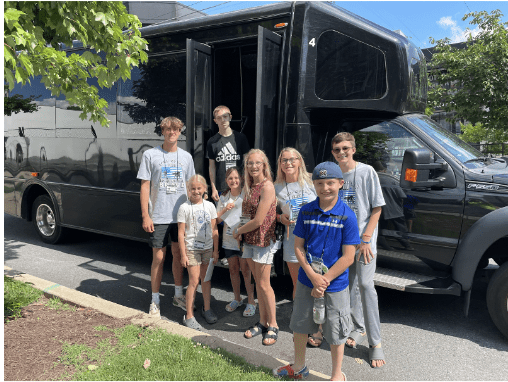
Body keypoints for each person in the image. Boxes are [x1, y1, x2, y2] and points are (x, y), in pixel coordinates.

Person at [273, 162, 360, 381]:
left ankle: (336, 375)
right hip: (306, 280)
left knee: (336, 331)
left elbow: (348, 256)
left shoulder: (347, 216)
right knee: (301, 324)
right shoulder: (306, 210)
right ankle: (299, 366)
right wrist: (313, 276)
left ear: (340, 183)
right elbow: (298, 246)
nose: (325, 188)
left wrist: (325, 280)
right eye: (320, 183)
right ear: (314, 185)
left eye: (330, 183)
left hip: (335, 285)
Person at [331, 132, 387, 368]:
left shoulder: (366, 172)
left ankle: (376, 343)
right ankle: (356, 328)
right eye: (337, 150)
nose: (341, 153)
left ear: (353, 149)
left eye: (345, 148)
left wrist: (365, 239)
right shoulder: (333, 175)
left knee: (365, 286)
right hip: (342, 242)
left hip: (364, 242)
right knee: (348, 286)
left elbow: (376, 208)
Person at [137, 116, 195, 318]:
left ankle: (178, 295)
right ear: (162, 131)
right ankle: (154, 300)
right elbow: (144, 186)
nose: (172, 132)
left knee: (179, 257)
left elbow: (191, 188)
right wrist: (146, 215)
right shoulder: (150, 155)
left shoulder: (187, 157)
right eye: (168, 129)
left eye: (176, 129)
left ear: (180, 132)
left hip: (180, 217)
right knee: (159, 258)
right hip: (159, 216)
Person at [232, 149, 279, 346]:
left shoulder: (267, 187)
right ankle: (262, 321)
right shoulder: (249, 186)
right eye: (250, 163)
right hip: (249, 240)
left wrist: (238, 230)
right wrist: (242, 232)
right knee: (257, 283)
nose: (253, 167)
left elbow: (259, 220)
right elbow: (246, 214)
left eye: (257, 163)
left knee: (264, 284)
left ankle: (274, 325)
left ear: (264, 165)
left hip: (262, 240)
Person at [177, 175, 219, 330]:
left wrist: (216, 250)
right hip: (192, 250)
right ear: (188, 190)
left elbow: (215, 230)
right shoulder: (184, 208)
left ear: (204, 189)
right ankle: (188, 315)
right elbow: (181, 233)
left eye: (199, 188)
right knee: (194, 281)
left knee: (206, 280)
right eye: (192, 188)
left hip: (208, 249)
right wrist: (183, 254)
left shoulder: (210, 206)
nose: (196, 191)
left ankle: (206, 309)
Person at [216, 166, 256, 317]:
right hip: (228, 240)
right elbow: (217, 219)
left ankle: (251, 301)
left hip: (243, 239)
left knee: (246, 271)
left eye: (236, 178)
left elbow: (252, 215)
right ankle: (237, 299)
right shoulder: (224, 197)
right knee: (233, 270)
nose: (233, 181)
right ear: (226, 181)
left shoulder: (247, 194)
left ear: (241, 179)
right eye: (230, 178)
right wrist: (225, 209)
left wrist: (241, 230)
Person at [206, 105, 250, 202]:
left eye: (225, 116)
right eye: (219, 118)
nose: (223, 120)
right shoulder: (212, 142)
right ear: (215, 121)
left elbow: (247, 164)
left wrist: (247, 185)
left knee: (240, 216)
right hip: (221, 189)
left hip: (240, 187)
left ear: (230, 117)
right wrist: (214, 189)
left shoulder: (241, 138)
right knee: (222, 217)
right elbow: (212, 167)